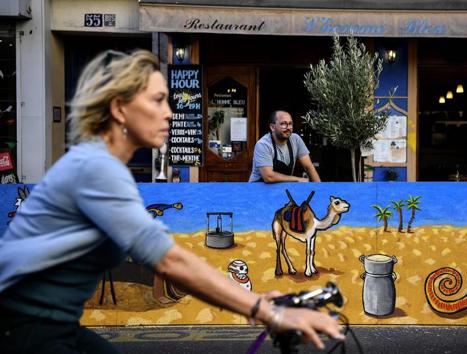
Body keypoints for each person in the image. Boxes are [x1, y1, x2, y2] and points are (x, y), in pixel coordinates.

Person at [0, 50, 342, 354]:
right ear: (120, 108)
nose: (169, 112)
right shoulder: (95, 169)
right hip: (24, 328)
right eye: (157, 100)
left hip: (53, 325)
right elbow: (170, 260)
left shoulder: (103, 168)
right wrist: (267, 312)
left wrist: (256, 303)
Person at [249, 110, 321, 183]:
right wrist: (297, 179)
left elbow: (309, 167)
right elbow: (268, 177)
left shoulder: (296, 139)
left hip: (283, 189)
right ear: (272, 127)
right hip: (259, 190)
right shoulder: (263, 144)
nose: (288, 128)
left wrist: (320, 189)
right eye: (283, 124)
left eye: (290, 124)